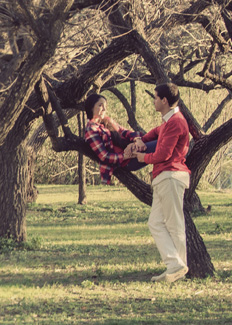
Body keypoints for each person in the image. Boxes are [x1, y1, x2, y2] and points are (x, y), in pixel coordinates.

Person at [126, 83, 193, 283]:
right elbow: (152, 134)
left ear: (164, 100)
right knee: (155, 223)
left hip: (171, 175)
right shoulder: (167, 122)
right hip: (163, 176)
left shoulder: (176, 122)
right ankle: (175, 265)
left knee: (174, 224)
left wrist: (142, 158)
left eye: (155, 98)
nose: (154, 101)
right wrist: (139, 140)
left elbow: (164, 154)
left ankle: (177, 268)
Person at [81, 93, 154, 184]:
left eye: (105, 106)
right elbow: (104, 156)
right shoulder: (91, 130)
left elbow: (124, 132)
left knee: (159, 137)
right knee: (159, 144)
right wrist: (127, 155)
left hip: (133, 150)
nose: (104, 109)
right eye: (100, 105)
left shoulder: (107, 120)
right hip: (126, 161)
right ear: (91, 107)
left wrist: (137, 140)